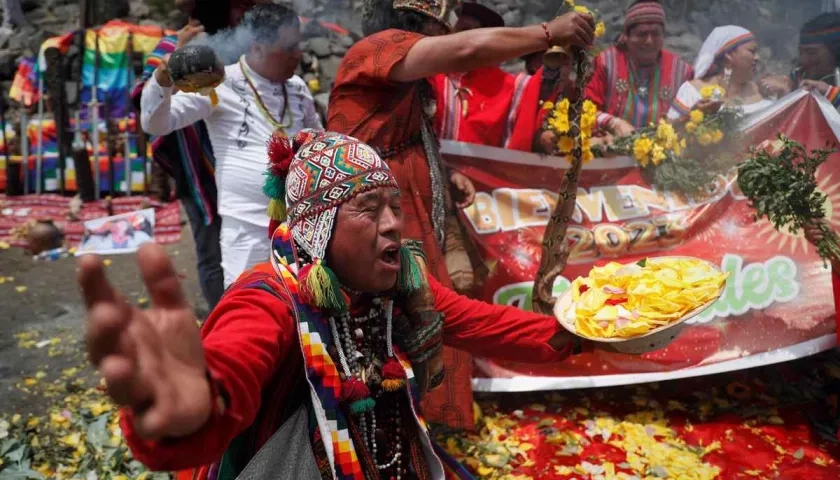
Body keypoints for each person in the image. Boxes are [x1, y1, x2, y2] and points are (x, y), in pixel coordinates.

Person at [80, 129, 589, 480]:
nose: (393, 223)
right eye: (369, 209)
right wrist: (192, 411)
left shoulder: (398, 286)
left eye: (395, 206)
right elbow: (230, 364)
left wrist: (585, 331)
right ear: (318, 227)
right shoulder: (269, 297)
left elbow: (488, 324)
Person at [327, 0, 594, 430]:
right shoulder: (377, 49)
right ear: (421, 22)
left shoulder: (403, 68)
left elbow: (405, 133)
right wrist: (549, 33)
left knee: (429, 308)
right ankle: (386, 420)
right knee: (395, 316)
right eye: (440, 26)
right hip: (366, 215)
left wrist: (445, 175)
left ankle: (424, 417)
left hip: (404, 205)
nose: (444, 34)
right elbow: (467, 52)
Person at [140, 4, 322, 289]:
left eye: (298, 45)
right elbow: (156, 124)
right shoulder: (221, 85)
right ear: (258, 47)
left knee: (304, 316)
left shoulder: (298, 87)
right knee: (249, 313)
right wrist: (162, 81)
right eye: (289, 47)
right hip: (247, 235)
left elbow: (320, 142)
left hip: (304, 228)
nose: (298, 55)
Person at [132, 0, 266, 309]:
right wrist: (176, 61)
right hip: (196, 168)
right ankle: (223, 319)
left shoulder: (239, 46)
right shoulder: (170, 44)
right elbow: (144, 96)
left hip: (236, 162)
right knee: (211, 250)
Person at [585, 0, 693, 132]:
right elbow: (586, 110)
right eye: (642, 34)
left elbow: (690, 119)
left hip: (663, 149)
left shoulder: (681, 72)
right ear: (626, 36)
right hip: (611, 147)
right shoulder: (607, 63)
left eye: (656, 34)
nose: (649, 41)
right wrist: (613, 123)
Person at [428, 2, 515, 146]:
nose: (470, 36)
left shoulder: (502, 84)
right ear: (449, 33)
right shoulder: (428, 75)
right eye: (464, 29)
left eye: (477, 31)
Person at [667, 26, 772, 120]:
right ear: (729, 55)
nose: (757, 57)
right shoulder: (692, 92)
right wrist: (692, 116)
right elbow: (670, 134)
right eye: (752, 51)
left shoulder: (761, 91)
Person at [761, 13, 840, 108]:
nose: (803, 60)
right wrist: (770, 85)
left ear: (836, 52)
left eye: (811, 52)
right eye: (801, 52)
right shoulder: (801, 75)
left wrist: (828, 92)